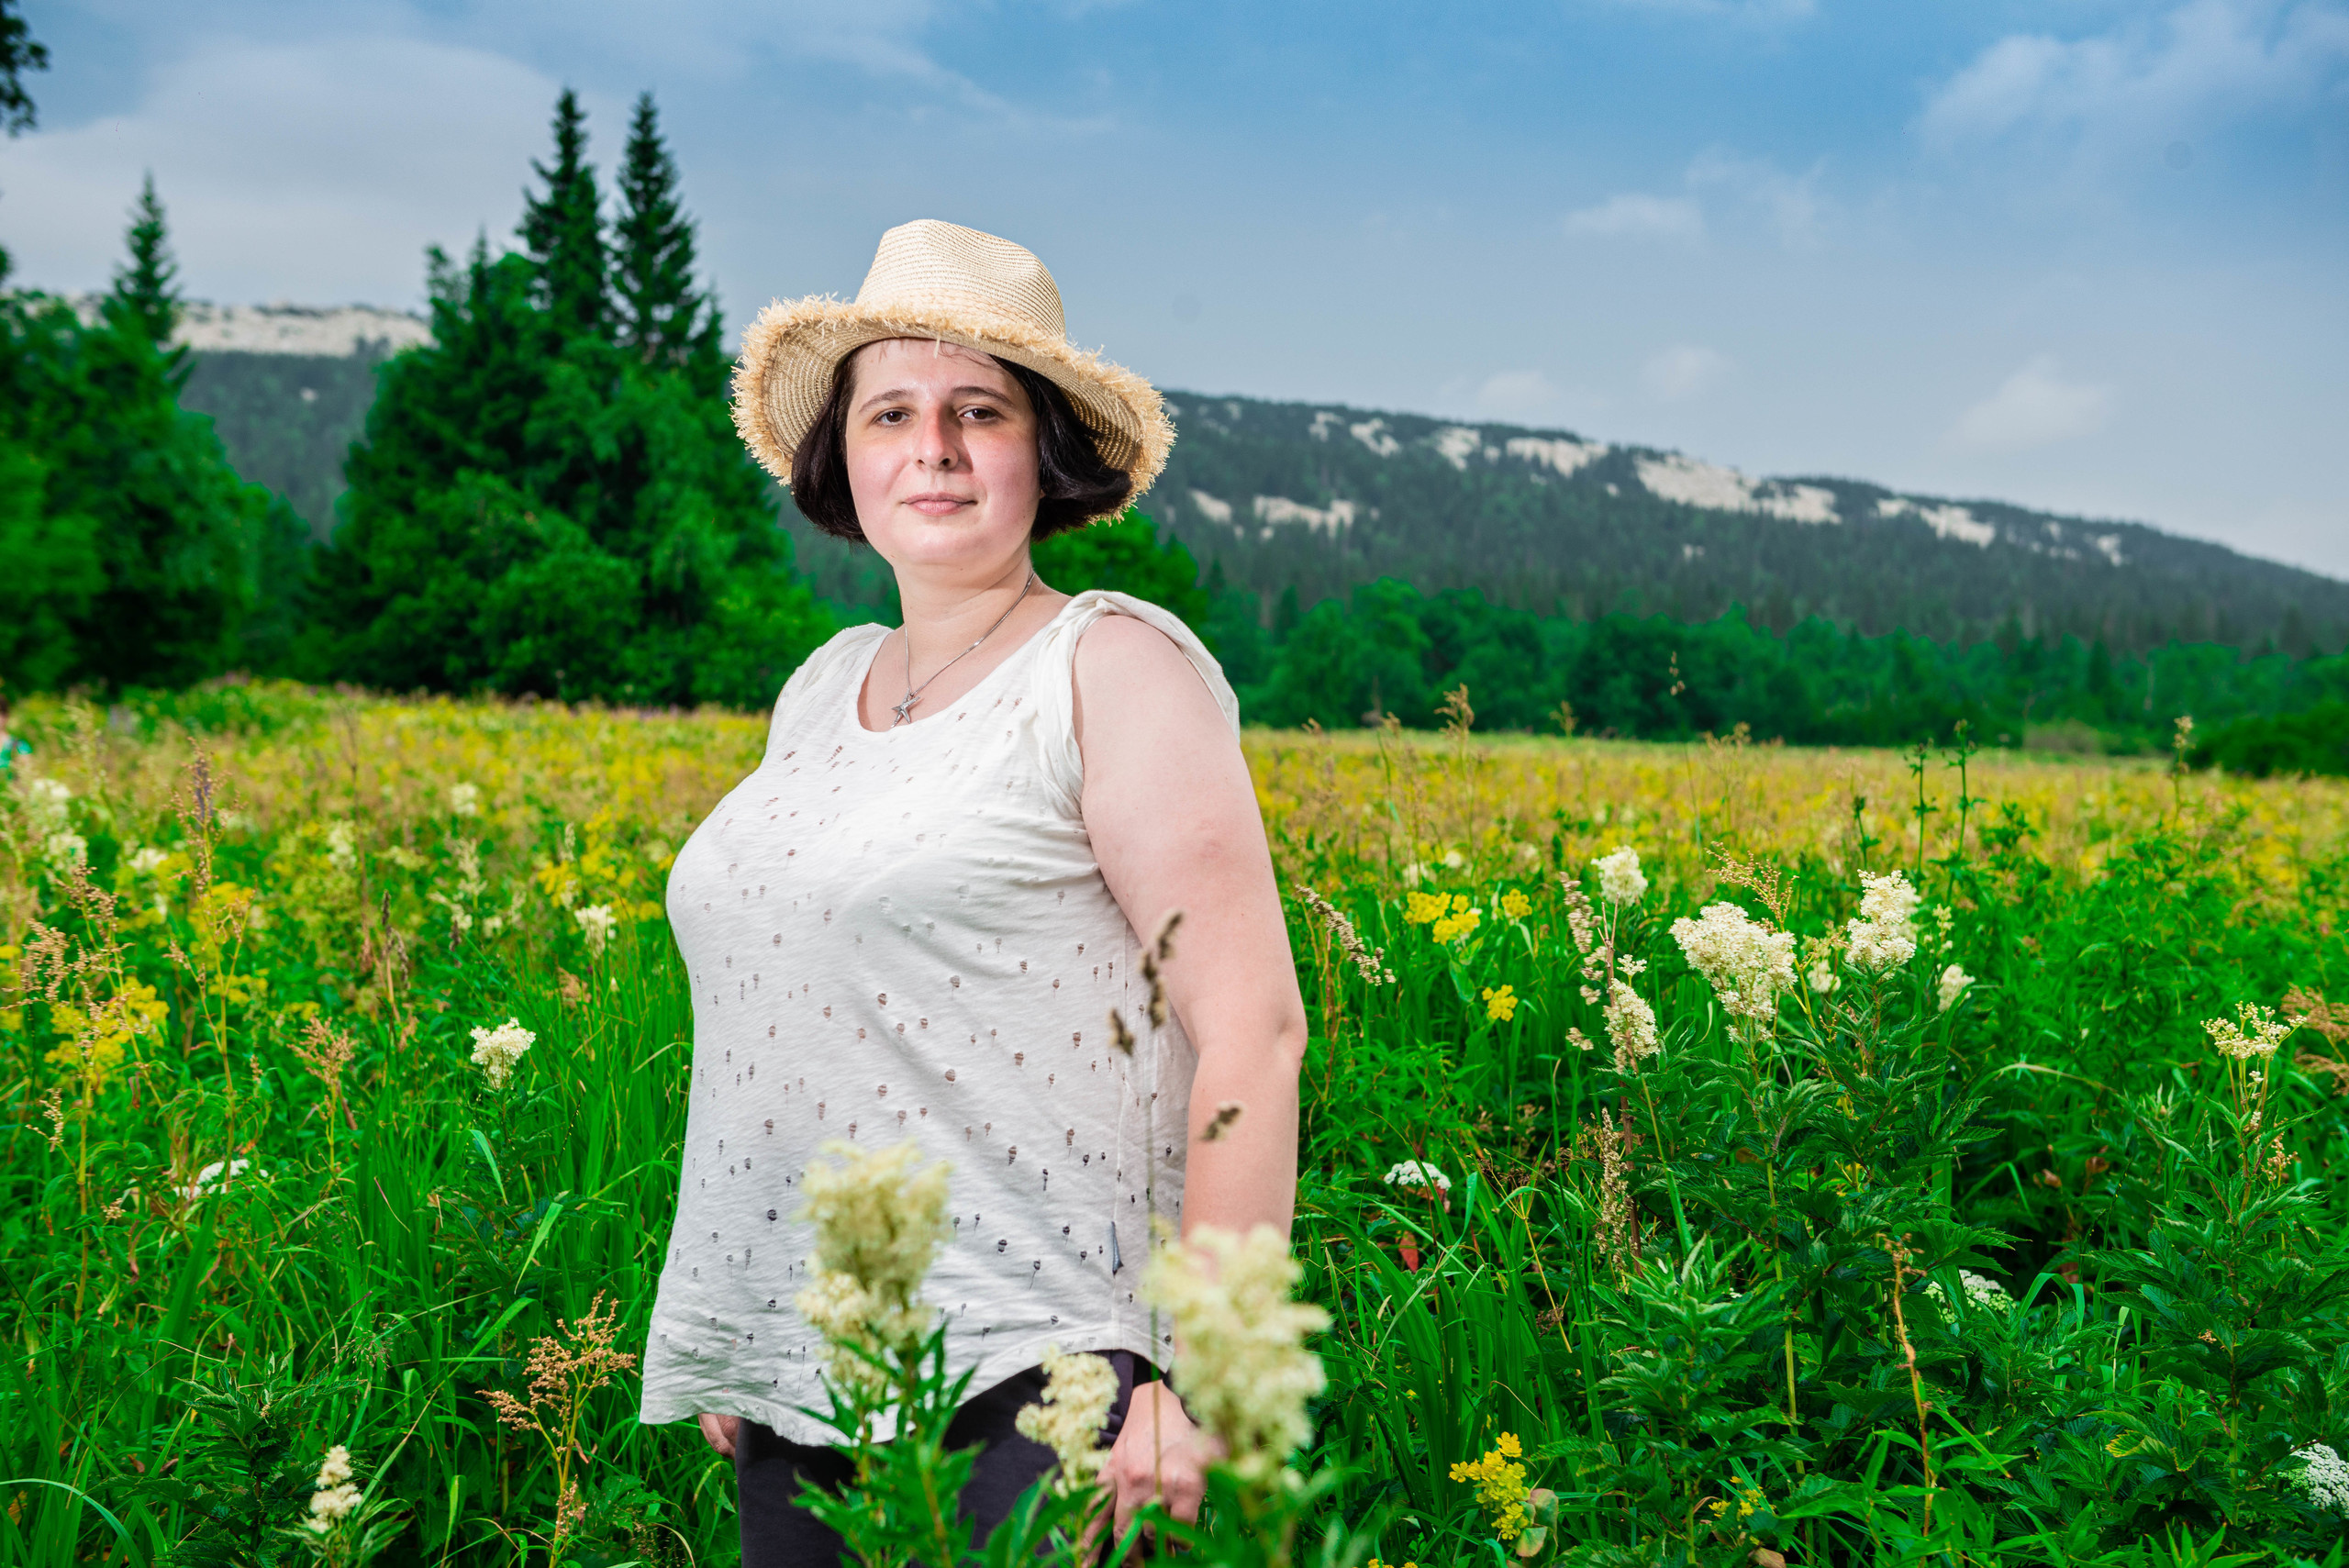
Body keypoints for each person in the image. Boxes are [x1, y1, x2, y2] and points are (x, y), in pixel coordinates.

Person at [638, 219, 1309, 1565]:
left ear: (1041, 453)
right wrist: (752, 1323)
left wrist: (1211, 1383)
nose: (932, 446)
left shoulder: (1112, 667)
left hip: (1044, 1378)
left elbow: (1256, 1029)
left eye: (978, 411)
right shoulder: (823, 686)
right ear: (845, 456)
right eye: (891, 410)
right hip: (817, 1363)